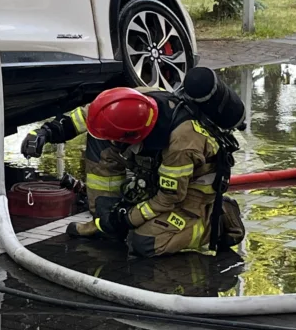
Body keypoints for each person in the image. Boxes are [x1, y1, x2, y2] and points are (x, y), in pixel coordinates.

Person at [21, 75, 245, 258]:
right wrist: (46, 132)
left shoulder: (182, 144)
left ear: (136, 135)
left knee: (144, 243)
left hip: (190, 194)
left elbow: (169, 198)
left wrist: (127, 218)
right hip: (160, 173)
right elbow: (89, 115)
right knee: (99, 136)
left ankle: (214, 224)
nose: (116, 145)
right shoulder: (133, 102)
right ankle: (106, 218)